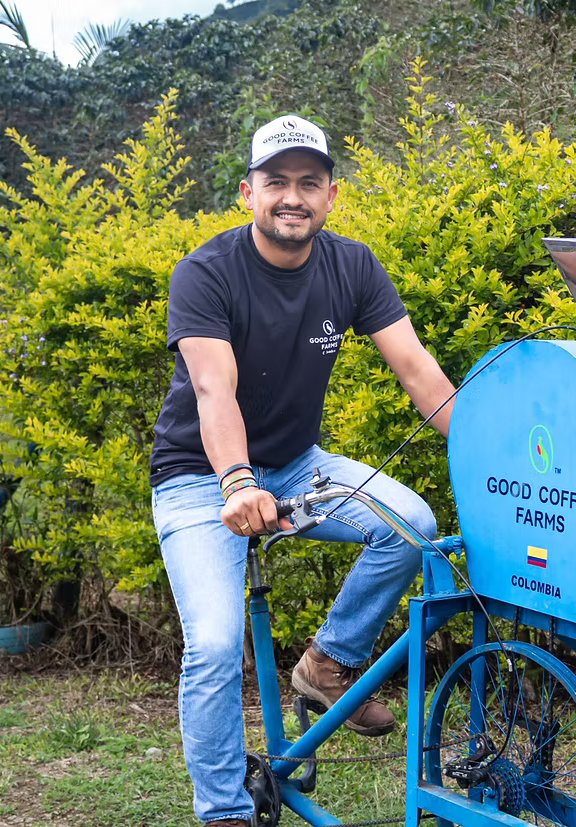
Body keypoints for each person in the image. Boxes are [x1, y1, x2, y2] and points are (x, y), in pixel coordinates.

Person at [149, 114, 455, 826]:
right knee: (217, 643)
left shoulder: (352, 265)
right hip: (201, 477)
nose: (293, 196)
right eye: (276, 182)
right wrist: (235, 483)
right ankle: (225, 811)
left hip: (295, 466)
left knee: (413, 525)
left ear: (331, 194)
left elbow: (420, 374)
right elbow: (212, 390)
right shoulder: (205, 271)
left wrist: (493, 451)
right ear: (247, 193)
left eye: (308, 183)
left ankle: (327, 660)